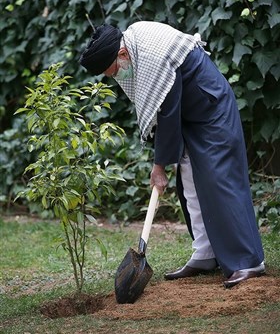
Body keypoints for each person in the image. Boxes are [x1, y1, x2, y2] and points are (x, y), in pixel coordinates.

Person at [79, 21, 265, 288]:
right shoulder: (133, 46)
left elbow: (166, 109)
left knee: (220, 182)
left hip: (211, 110)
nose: (115, 77)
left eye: (112, 73)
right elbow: (163, 107)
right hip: (188, 115)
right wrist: (163, 161)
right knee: (190, 185)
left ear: (122, 55)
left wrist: (159, 166)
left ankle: (248, 261)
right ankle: (205, 253)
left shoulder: (151, 55)